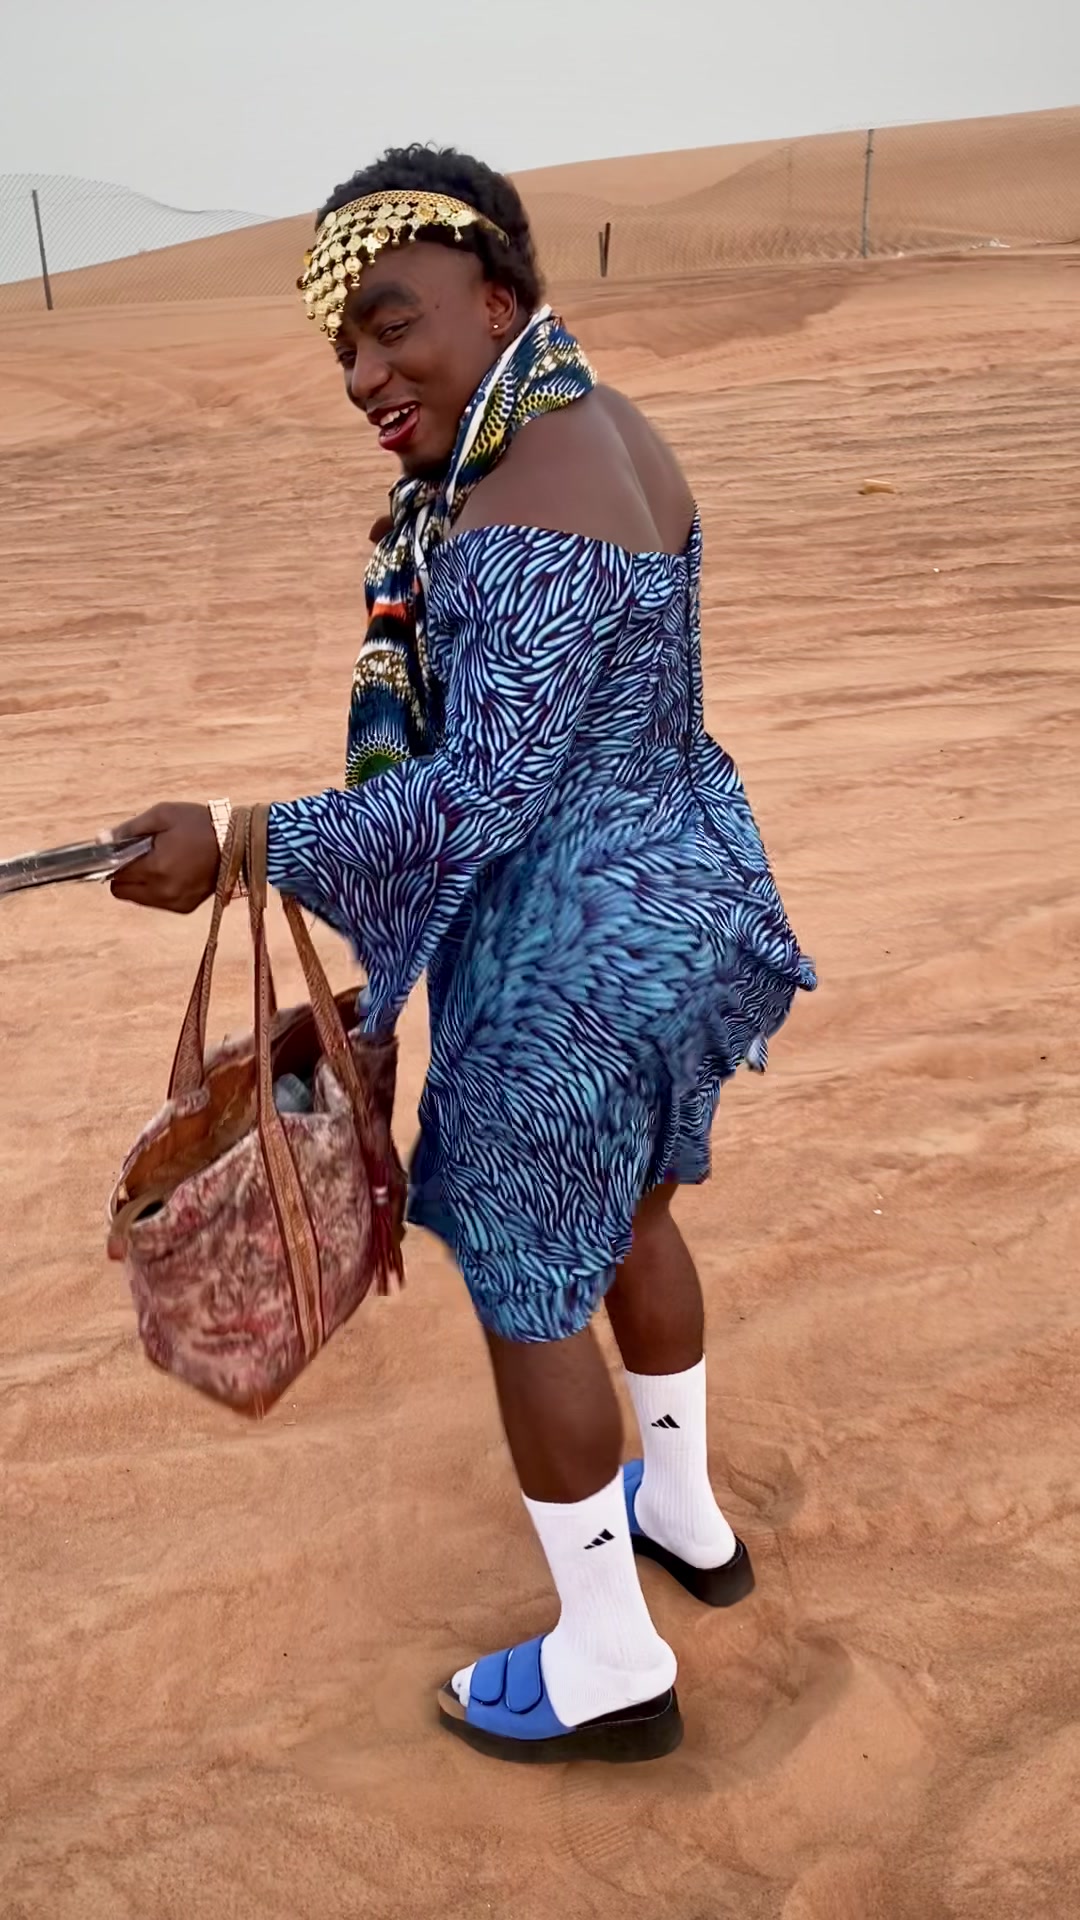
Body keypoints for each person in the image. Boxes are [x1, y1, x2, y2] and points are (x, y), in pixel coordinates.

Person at [111, 145, 815, 1765]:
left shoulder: (513, 508)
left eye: (392, 325)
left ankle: (608, 1658)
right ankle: (685, 1511)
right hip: (691, 899)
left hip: (578, 961)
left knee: (526, 1289)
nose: (366, 375)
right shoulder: (605, 427)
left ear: (498, 301)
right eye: (342, 350)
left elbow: (479, 793)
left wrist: (240, 841)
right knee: (633, 1218)